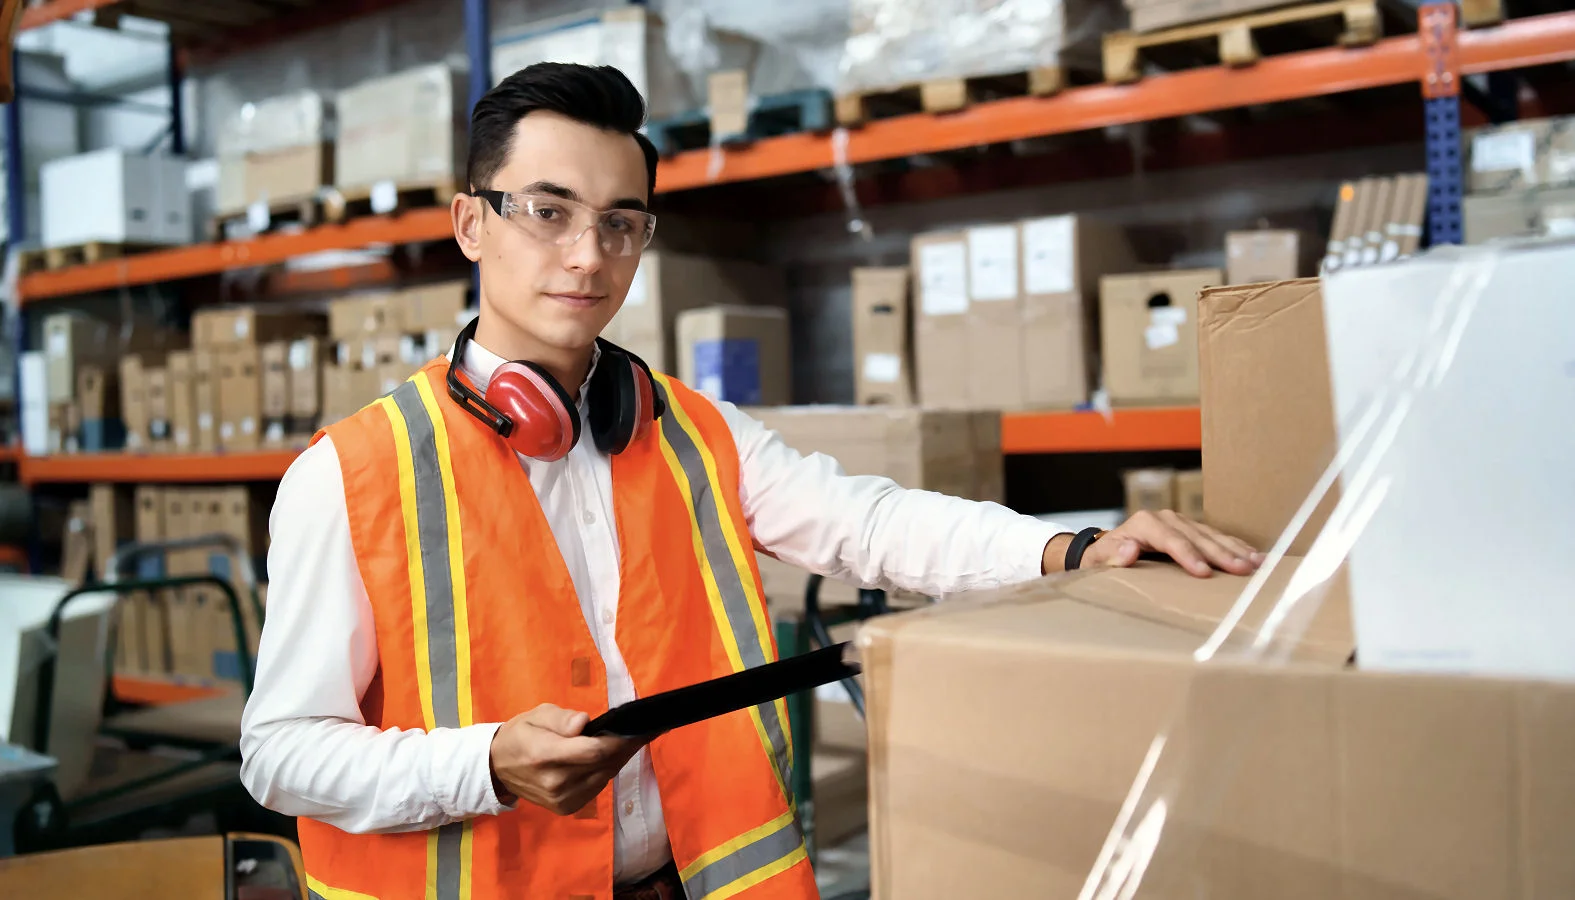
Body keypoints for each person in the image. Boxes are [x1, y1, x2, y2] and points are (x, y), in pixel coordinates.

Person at [239, 62, 1263, 900]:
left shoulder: (689, 432)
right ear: (471, 225)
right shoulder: (351, 476)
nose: (588, 255)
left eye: (621, 222)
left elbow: (869, 524)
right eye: (548, 212)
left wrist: (1072, 548)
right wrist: (483, 764)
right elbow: (279, 754)